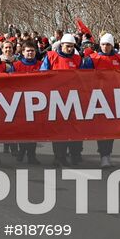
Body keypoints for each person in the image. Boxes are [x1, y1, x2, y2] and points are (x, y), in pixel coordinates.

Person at [42, 33, 92, 166]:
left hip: (74, 99)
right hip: (56, 99)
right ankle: (59, 157)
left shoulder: (77, 59)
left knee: (75, 129)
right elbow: (42, 75)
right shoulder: (51, 56)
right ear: (61, 45)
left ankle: (76, 154)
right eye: (67, 46)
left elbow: (83, 77)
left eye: (71, 47)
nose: (69, 49)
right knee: (59, 130)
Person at [88, 33, 120, 166]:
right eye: (103, 44)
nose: (105, 47)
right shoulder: (92, 58)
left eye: (108, 44)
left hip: (115, 97)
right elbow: (83, 77)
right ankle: (104, 155)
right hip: (97, 98)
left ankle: (107, 153)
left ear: (112, 45)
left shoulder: (119, 58)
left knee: (111, 129)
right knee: (101, 128)